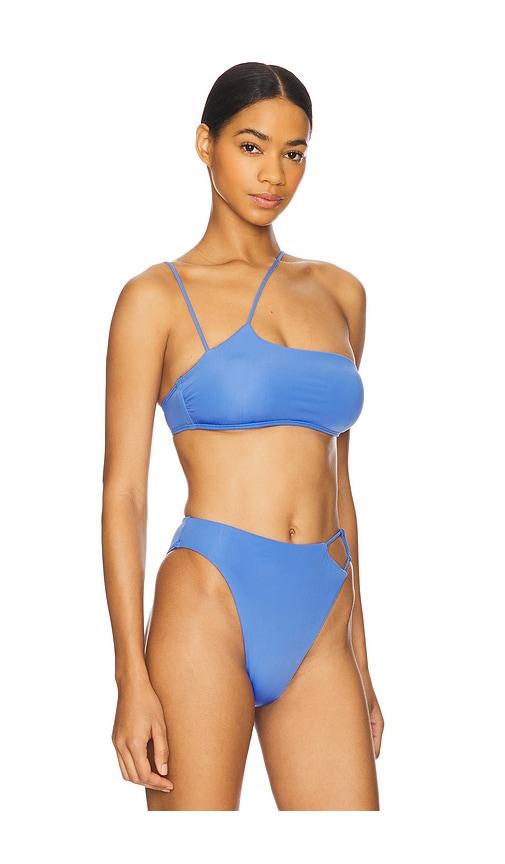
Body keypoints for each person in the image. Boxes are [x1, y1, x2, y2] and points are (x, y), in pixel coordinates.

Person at [102, 61, 383, 811]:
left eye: (294, 152)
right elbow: (125, 494)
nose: (274, 174)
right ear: (206, 144)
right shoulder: (155, 298)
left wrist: (361, 655)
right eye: (251, 146)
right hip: (209, 598)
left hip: (321, 608)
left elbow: (340, 484)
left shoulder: (340, 294)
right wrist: (130, 676)